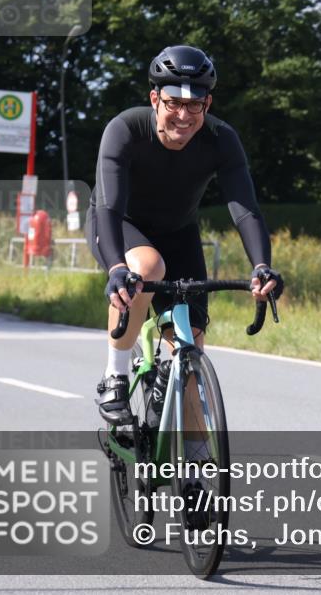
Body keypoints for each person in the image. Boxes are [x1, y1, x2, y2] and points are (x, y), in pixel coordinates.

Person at [87, 45, 282, 425]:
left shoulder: (221, 139)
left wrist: (262, 266)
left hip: (179, 232)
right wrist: (115, 267)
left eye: (194, 106)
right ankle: (115, 376)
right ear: (154, 98)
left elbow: (245, 209)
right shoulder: (125, 129)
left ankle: (194, 468)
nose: (183, 115)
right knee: (147, 265)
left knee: (190, 348)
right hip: (118, 225)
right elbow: (109, 208)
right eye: (173, 102)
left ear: (207, 104)